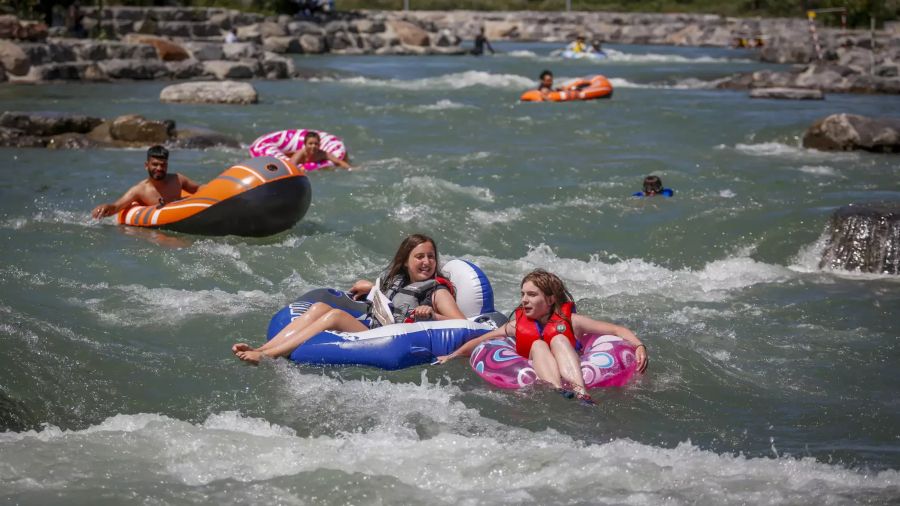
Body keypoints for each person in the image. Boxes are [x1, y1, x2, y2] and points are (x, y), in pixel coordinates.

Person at [232, 234, 466, 364]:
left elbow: (462, 325)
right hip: (376, 325)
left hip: (392, 337)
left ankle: (268, 356)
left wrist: (433, 314)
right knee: (320, 306)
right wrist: (372, 289)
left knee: (334, 315)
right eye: (419, 257)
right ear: (405, 261)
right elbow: (390, 303)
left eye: (431, 257)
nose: (426, 262)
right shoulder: (401, 281)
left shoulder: (437, 292)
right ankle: (262, 348)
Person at [436, 269, 648, 405]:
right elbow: (483, 340)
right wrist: (453, 356)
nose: (524, 301)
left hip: (574, 364)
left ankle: (581, 392)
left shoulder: (572, 321)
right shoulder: (517, 325)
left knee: (558, 339)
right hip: (539, 368)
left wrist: (639, 346)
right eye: (522, 294)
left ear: (550, 299)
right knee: (537, 344)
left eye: (532, 295)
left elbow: (616, 331)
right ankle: (558, 391)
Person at [92, 145, 200, 219]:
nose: (159, 168)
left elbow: (200, 189)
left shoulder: (178, 179)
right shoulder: (140, 190)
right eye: (155, 164)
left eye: (163, 165)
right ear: (146, 165)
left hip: (181, 217)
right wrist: (105, 207)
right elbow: (117, 207)